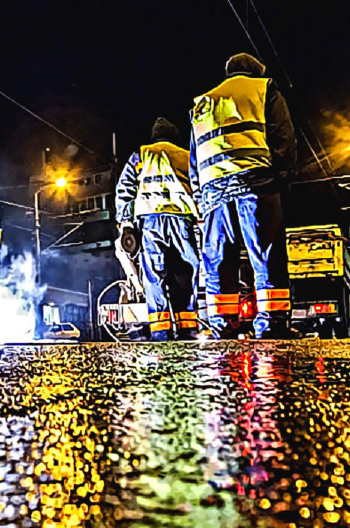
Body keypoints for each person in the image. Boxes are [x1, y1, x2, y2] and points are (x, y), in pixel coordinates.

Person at [189, 53, 297, 339]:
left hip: (214, 194)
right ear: (256, 71)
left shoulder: (202, 103)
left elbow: (194, 160)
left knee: (219, 260)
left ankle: (223, 325)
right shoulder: (264, 89)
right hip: (256, 184)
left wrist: (201, 198)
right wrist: (279, 178)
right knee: (265, 254)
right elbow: (283, 139)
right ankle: (271, 324)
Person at [115, 117, 200, 340]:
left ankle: (161, 332)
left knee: (154, 277)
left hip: (150, 223)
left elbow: (124, 189)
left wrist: (126, 223)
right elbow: (199, 187)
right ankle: (187, 329)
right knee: (185, 275)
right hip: (181, 220)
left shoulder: (141, 155)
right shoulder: (186, 156)